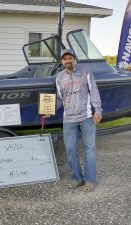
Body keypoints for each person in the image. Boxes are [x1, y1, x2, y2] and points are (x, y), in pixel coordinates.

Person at [55, 49, 102, 192]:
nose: (67, 61)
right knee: (70, 150)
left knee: (90, 149)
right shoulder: (58, 77)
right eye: (65, 59)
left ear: (74, 59)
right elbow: (59, 99)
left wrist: (98, 110)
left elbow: (94, 91)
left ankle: (90, 180)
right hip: (69, 119)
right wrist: (46, 109)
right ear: (62, 61)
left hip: (87, 116)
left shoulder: (86, 71)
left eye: (70, 58)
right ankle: (77, 179)